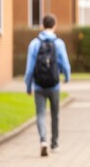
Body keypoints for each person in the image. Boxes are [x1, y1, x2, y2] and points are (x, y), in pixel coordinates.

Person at [24, 14, 71, 157]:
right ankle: (54, 143)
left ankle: (43, 140)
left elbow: (30, 68)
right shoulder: (59, 43)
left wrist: (28, 85)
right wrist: (67, 77)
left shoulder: (34, 43)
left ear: (42, 25)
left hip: (38, 86)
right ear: (54, 25)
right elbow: (65, 64)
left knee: (40, 114)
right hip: (54, 85)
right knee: (55, 114)